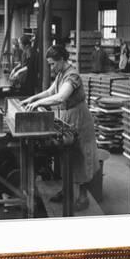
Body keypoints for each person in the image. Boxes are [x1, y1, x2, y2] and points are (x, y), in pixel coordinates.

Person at [20, 45, 99, 211]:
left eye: (53, 64)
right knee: (67, 157)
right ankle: (66, 190)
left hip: (79, 118)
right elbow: (50, 91)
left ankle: (83, 198)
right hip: (67, 117)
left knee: (81, 156)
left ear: (62, 60)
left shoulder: (73, 75)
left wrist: (38, 103)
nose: (51, 67)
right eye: (49, 64)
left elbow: (62, 96)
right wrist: (32, 99)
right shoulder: (61, 73)